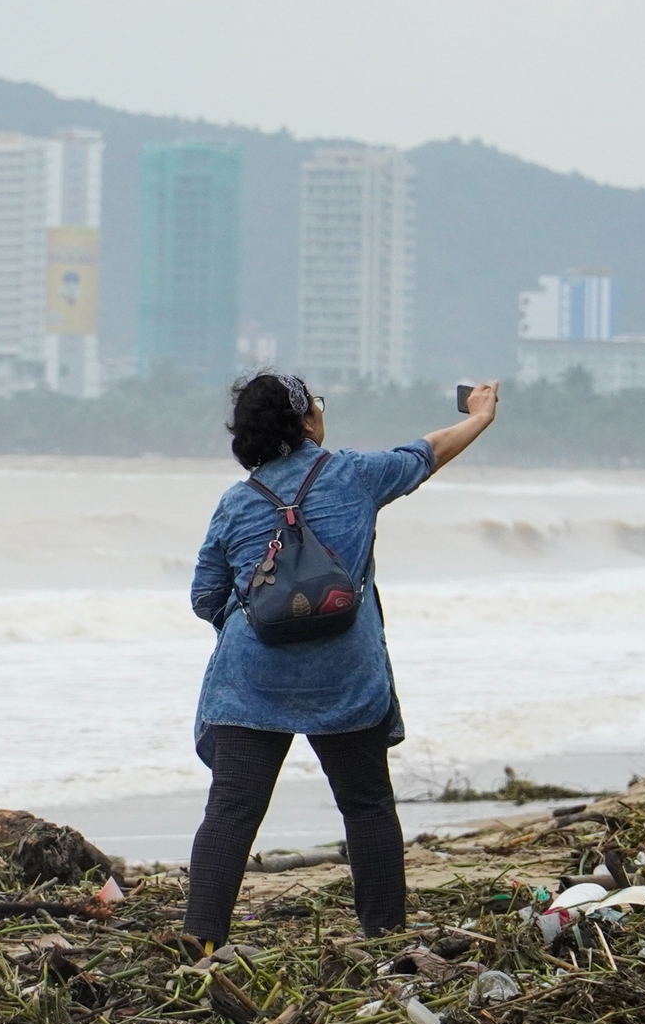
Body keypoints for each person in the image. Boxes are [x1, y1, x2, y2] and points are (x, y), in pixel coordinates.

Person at [179, 374, 500, 950]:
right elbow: (424, 454)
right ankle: (383, 936)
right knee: (367, 805)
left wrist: (267, 608)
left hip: (251, 682)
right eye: (317, 405)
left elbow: (204, 598)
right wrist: (478, 417)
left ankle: (202, 943)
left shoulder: (236, 503)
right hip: (345, 677)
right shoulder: (353, 475)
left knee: (230, 812)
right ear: (306, 422)